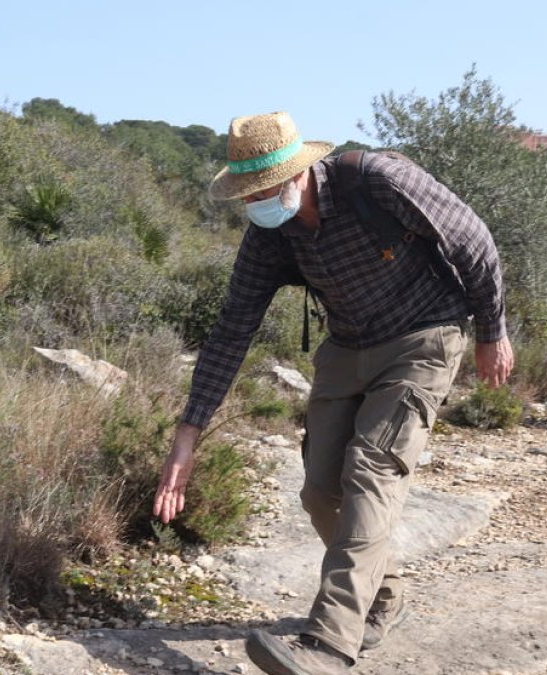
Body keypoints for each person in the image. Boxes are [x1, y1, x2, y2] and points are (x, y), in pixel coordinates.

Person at [153, 112, 512, 675]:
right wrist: (187, 435)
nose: (258, 204)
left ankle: (328, 645)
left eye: (265, 190)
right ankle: (381, 596)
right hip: (347, 346)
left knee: (371, 470)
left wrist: (493, 331)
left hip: (425, 335)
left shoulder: (379, 181)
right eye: (248, 195)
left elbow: (474, 240)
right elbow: (231, 329)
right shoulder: (269, 235)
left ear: (300, 172)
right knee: (321, 490)